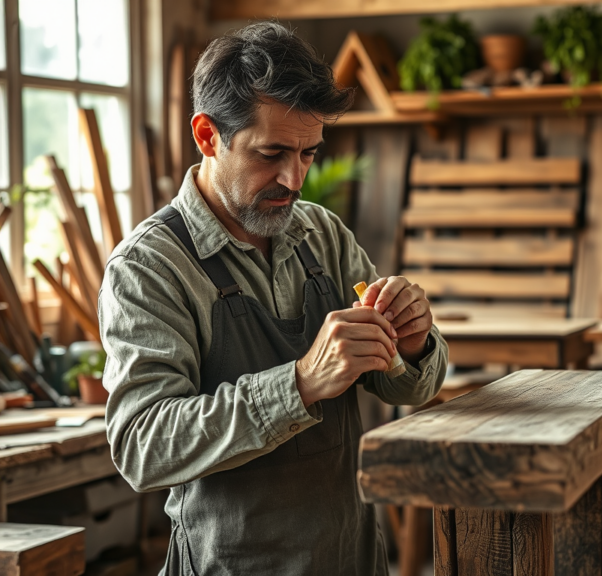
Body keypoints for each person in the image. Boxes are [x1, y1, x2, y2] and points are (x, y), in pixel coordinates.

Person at [99, 21, 448, 576]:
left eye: (309, 153)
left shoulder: (322, 235)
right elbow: (143, 447)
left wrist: (412, 343)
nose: (295, 178)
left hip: (350, 558)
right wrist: (301, 383)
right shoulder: (148, 268)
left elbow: (407, 386)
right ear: (207, 135)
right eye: (272, 153)